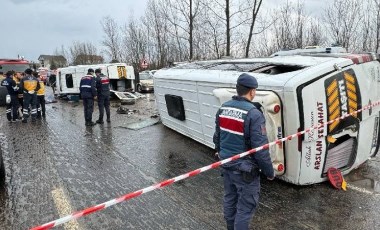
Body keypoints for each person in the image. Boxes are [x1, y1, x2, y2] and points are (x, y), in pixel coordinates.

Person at [213, 73, 275, 230]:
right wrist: (269, 172)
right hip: (245, 172)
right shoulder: (253, 114)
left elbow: (217, 137)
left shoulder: (223, 108)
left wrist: (220, 154)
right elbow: (261, 149)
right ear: (252, 91)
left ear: (238, 89)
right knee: (245, 207)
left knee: (230, 200)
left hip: (226, 165)